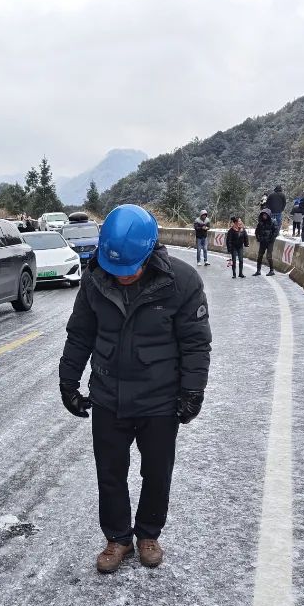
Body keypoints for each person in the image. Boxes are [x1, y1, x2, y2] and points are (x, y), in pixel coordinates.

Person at [59, 204, 211, 573]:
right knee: (109, 472)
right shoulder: (95, 279)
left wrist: (193, 391)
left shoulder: (182, 282)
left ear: (150, 251)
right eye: (116, 270)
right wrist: (68, 381)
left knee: (157, 472)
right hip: (109, 395)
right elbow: (80, 334)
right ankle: (117, 538)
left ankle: (147, 534)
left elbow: (196, 343)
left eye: (130, 270)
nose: (123, 277)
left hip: (160, 399)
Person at [254, 207, 278, 276]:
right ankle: (258, 270)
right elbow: (257, 231)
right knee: (259, 256)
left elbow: (276, 232)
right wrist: (258, 238)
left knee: (269, 256)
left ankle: (271, 270)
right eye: (263, 215)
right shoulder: (260, 223)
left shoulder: (273, 222)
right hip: (262, 241)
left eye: (265, 215)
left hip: (270, 242)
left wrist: (271, 239)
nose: (264, 216)